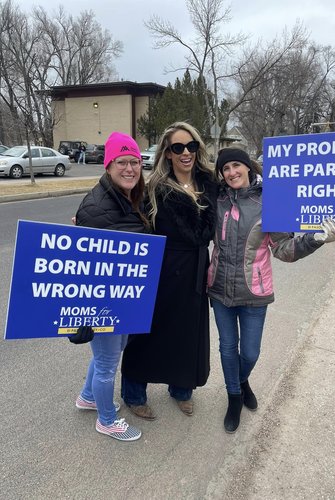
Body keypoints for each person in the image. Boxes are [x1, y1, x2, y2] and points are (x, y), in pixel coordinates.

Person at [207, 146, 335, 433]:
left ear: (248, 167)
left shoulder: (270, 202)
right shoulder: (216, 200)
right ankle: (234, 396)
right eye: (226, 169)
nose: (231, 173)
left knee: (251, 353)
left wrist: (316, 239)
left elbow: (284, 249)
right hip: (219, 289)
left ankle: (241, 380)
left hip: (254, 292)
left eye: (236, 166)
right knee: (227, 348)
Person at [121, 121, 217, 419]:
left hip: (195, 272)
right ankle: (134, 393)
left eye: (191, 146)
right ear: (168, 152)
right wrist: (85, 225)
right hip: (163, 271)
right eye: (178, 147)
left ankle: (181, 389)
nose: (185, 152)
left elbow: (244, 182)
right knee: (148, 335)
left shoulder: (209, 182)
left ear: (197, 148)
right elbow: (128, 220)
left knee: (188, 334)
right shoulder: (155, 189)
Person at [70, 131, 149, 441]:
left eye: (134, 162)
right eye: (122, 162)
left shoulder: (130, 196)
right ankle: (106, 419)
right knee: (106, 361)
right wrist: (84, 314)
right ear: (108, 164)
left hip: (121, 294)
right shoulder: (95, 207)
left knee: (113, 351)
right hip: (102, 298)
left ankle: (88, 397)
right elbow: (81, 267)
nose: (129, 168)